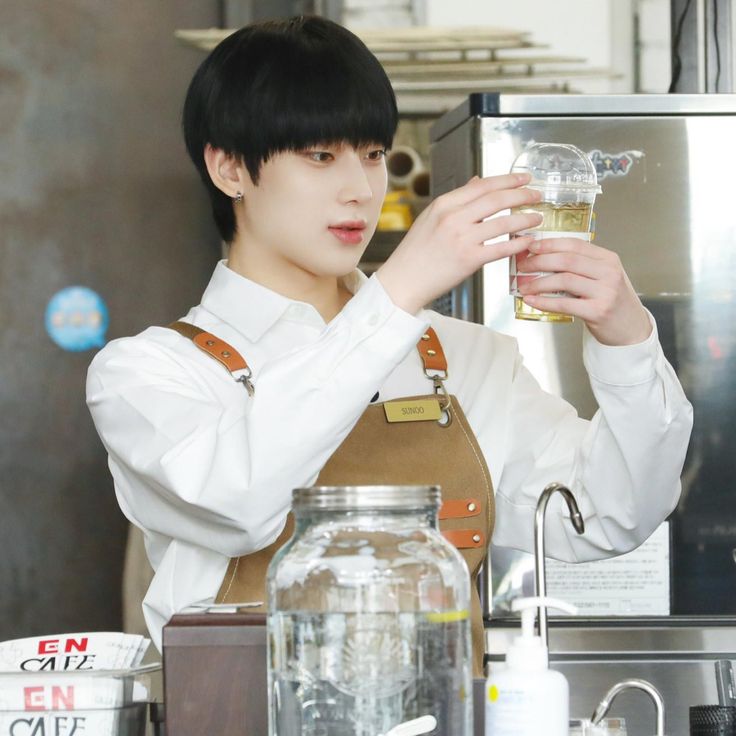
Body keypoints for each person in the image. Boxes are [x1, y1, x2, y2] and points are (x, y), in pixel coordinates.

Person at [86, 15, 693, 672]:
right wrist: (399, 288)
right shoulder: (148, 374)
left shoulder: (467, 360)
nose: (359, 188)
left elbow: (608, 517)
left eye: (373, 154)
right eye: (320, 155)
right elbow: (241, 504)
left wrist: (627, 341)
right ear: (229, 167)